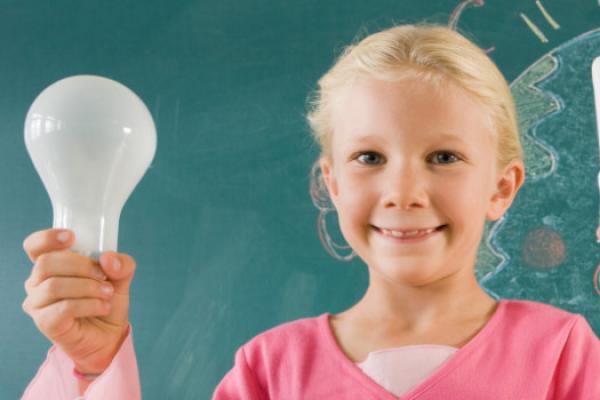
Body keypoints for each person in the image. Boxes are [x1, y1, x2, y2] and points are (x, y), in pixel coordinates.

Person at [21, 23, 600, 399]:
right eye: (369, 156)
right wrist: (94, 369)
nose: (403, 192)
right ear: (333, 184)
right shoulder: (271, 370)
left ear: (502, 187)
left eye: (443, 156)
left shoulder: (561, 353)